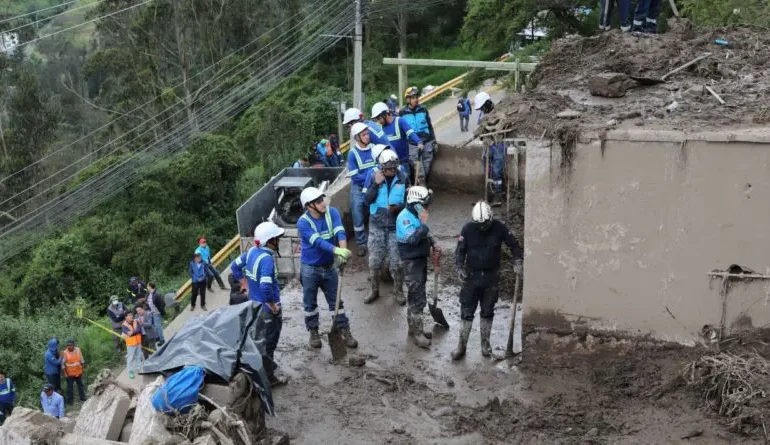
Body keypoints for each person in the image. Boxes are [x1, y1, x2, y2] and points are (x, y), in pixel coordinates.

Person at [453, 201, 523, 360]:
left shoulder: (500, 228)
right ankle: (461, 346)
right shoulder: (468, 229)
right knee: (466, 310)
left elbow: (515, 245)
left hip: (491, 277)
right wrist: (459, 268)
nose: (482, 227)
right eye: (479, 224)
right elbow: (460, 251)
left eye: (485, 224)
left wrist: (517, 260)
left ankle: (485, 345)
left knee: (487, 310)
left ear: (490, 218)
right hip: (471, 277)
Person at [296, 186, 358, 349]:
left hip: (330, 267)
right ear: (309, 206)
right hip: (310, 269)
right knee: (310, 303)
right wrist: (336, 250)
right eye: (318, 201)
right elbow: (317, 241)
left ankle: (344, 330)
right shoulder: (303, 223)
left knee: (336, 301)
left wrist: (343, 252)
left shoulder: (332, 213)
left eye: (322, 199)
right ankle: (313, 331)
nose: (323, 203)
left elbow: (340, 232)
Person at [230, 221, 288, 386]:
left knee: (259, 339)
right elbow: (265, 286)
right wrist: (272, 304)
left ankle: (262, 373)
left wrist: (245, 283)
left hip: (253, 306)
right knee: (269, 343)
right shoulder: (267, 259)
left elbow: (234, 267)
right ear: (269, 241)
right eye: (277, 238)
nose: (279, 240)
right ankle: (268, 378)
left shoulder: (251, 253)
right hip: (267, 309)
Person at [396, 186, 441, 349]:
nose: (427, 207)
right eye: (424, 204)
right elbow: (414, 239)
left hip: (419, 261)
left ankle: (413, 329)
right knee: (417, 298)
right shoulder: (404, 219)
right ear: (416, 204)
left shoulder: (414, 215)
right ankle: (417, 333)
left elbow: (424, 234)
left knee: (417, 294)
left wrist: (433, 242)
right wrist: (423, 224)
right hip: (411, 264)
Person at [363, 148, 409, 305]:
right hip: (377, 226)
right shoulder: (372, 177)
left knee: (397, 263)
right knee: (375, 261)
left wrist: (400, 207)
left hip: (395, 228)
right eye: (388, 168)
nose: (391, 171)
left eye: (393, 168)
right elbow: (366, 201)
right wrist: (375, 185)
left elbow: (409, 202)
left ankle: (398, 292)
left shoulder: (403, 178)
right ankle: (374, 290)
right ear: (381, 167)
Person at [346, 122, 378, 257]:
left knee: (376, 213)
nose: (367, 136)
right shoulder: (352, 154)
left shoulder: (375, 149)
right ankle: (361, 244)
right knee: (357, 214)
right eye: (364, 134)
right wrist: (371, 175)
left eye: (367, 133)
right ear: (357, 137)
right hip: (358, 188)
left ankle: (375, 241)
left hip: (375, 186)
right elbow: (355, 177)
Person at [371, 102, 423, 178]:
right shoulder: (379, 128)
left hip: (403, 162)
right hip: (387, 166)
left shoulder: (399, 121)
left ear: (385, 114)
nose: (378, 121)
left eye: (379, 118)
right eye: (376, 119)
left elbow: (410, 133)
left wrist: (419, 142)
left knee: (406, 183)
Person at [400, 87, 437, 185]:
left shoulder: (423, 109)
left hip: (427, 142)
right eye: (413, 97)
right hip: (412, 144)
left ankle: (422, 186)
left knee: (426, 167)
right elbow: (401, 131)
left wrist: (434, 141)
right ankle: (422, 189)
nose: (416, 99)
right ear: (408, 99)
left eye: (416, 97)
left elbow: (429, 126)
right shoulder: (402, 113)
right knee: (418, 169)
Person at [62, 338, 86, 405]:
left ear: (73, 345)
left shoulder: (78, 350)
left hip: (78, 372)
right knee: (70, 388)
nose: (69, 347)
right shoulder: (65, 352)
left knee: (80, 385)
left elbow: (82, 359)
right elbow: (62, 364)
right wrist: (65, 373)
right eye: (68, 345)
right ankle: (70, 402)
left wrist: (83, 368)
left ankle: (83, 398)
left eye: (70, 345)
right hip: (70, 374)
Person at [483, 139, 506, 206]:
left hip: (498, 146)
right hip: (490, 145)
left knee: (496, 172)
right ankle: (490, 195)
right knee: (489, 172)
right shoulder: (489, 147)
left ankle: (498, 194)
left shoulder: (499, 146)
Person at [122, 311, 143, 379]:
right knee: (130, 358)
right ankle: (130, 371)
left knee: (138, 356)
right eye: (129, 315)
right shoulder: (124, 325)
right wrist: (135, 331)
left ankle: (139, 369)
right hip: (131, 344)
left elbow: (139, 330)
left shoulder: (136, 321)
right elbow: (129, 334)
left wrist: (133, 332)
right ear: (126, 317)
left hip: (138, 342)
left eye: (131, 314)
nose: (131, 316)